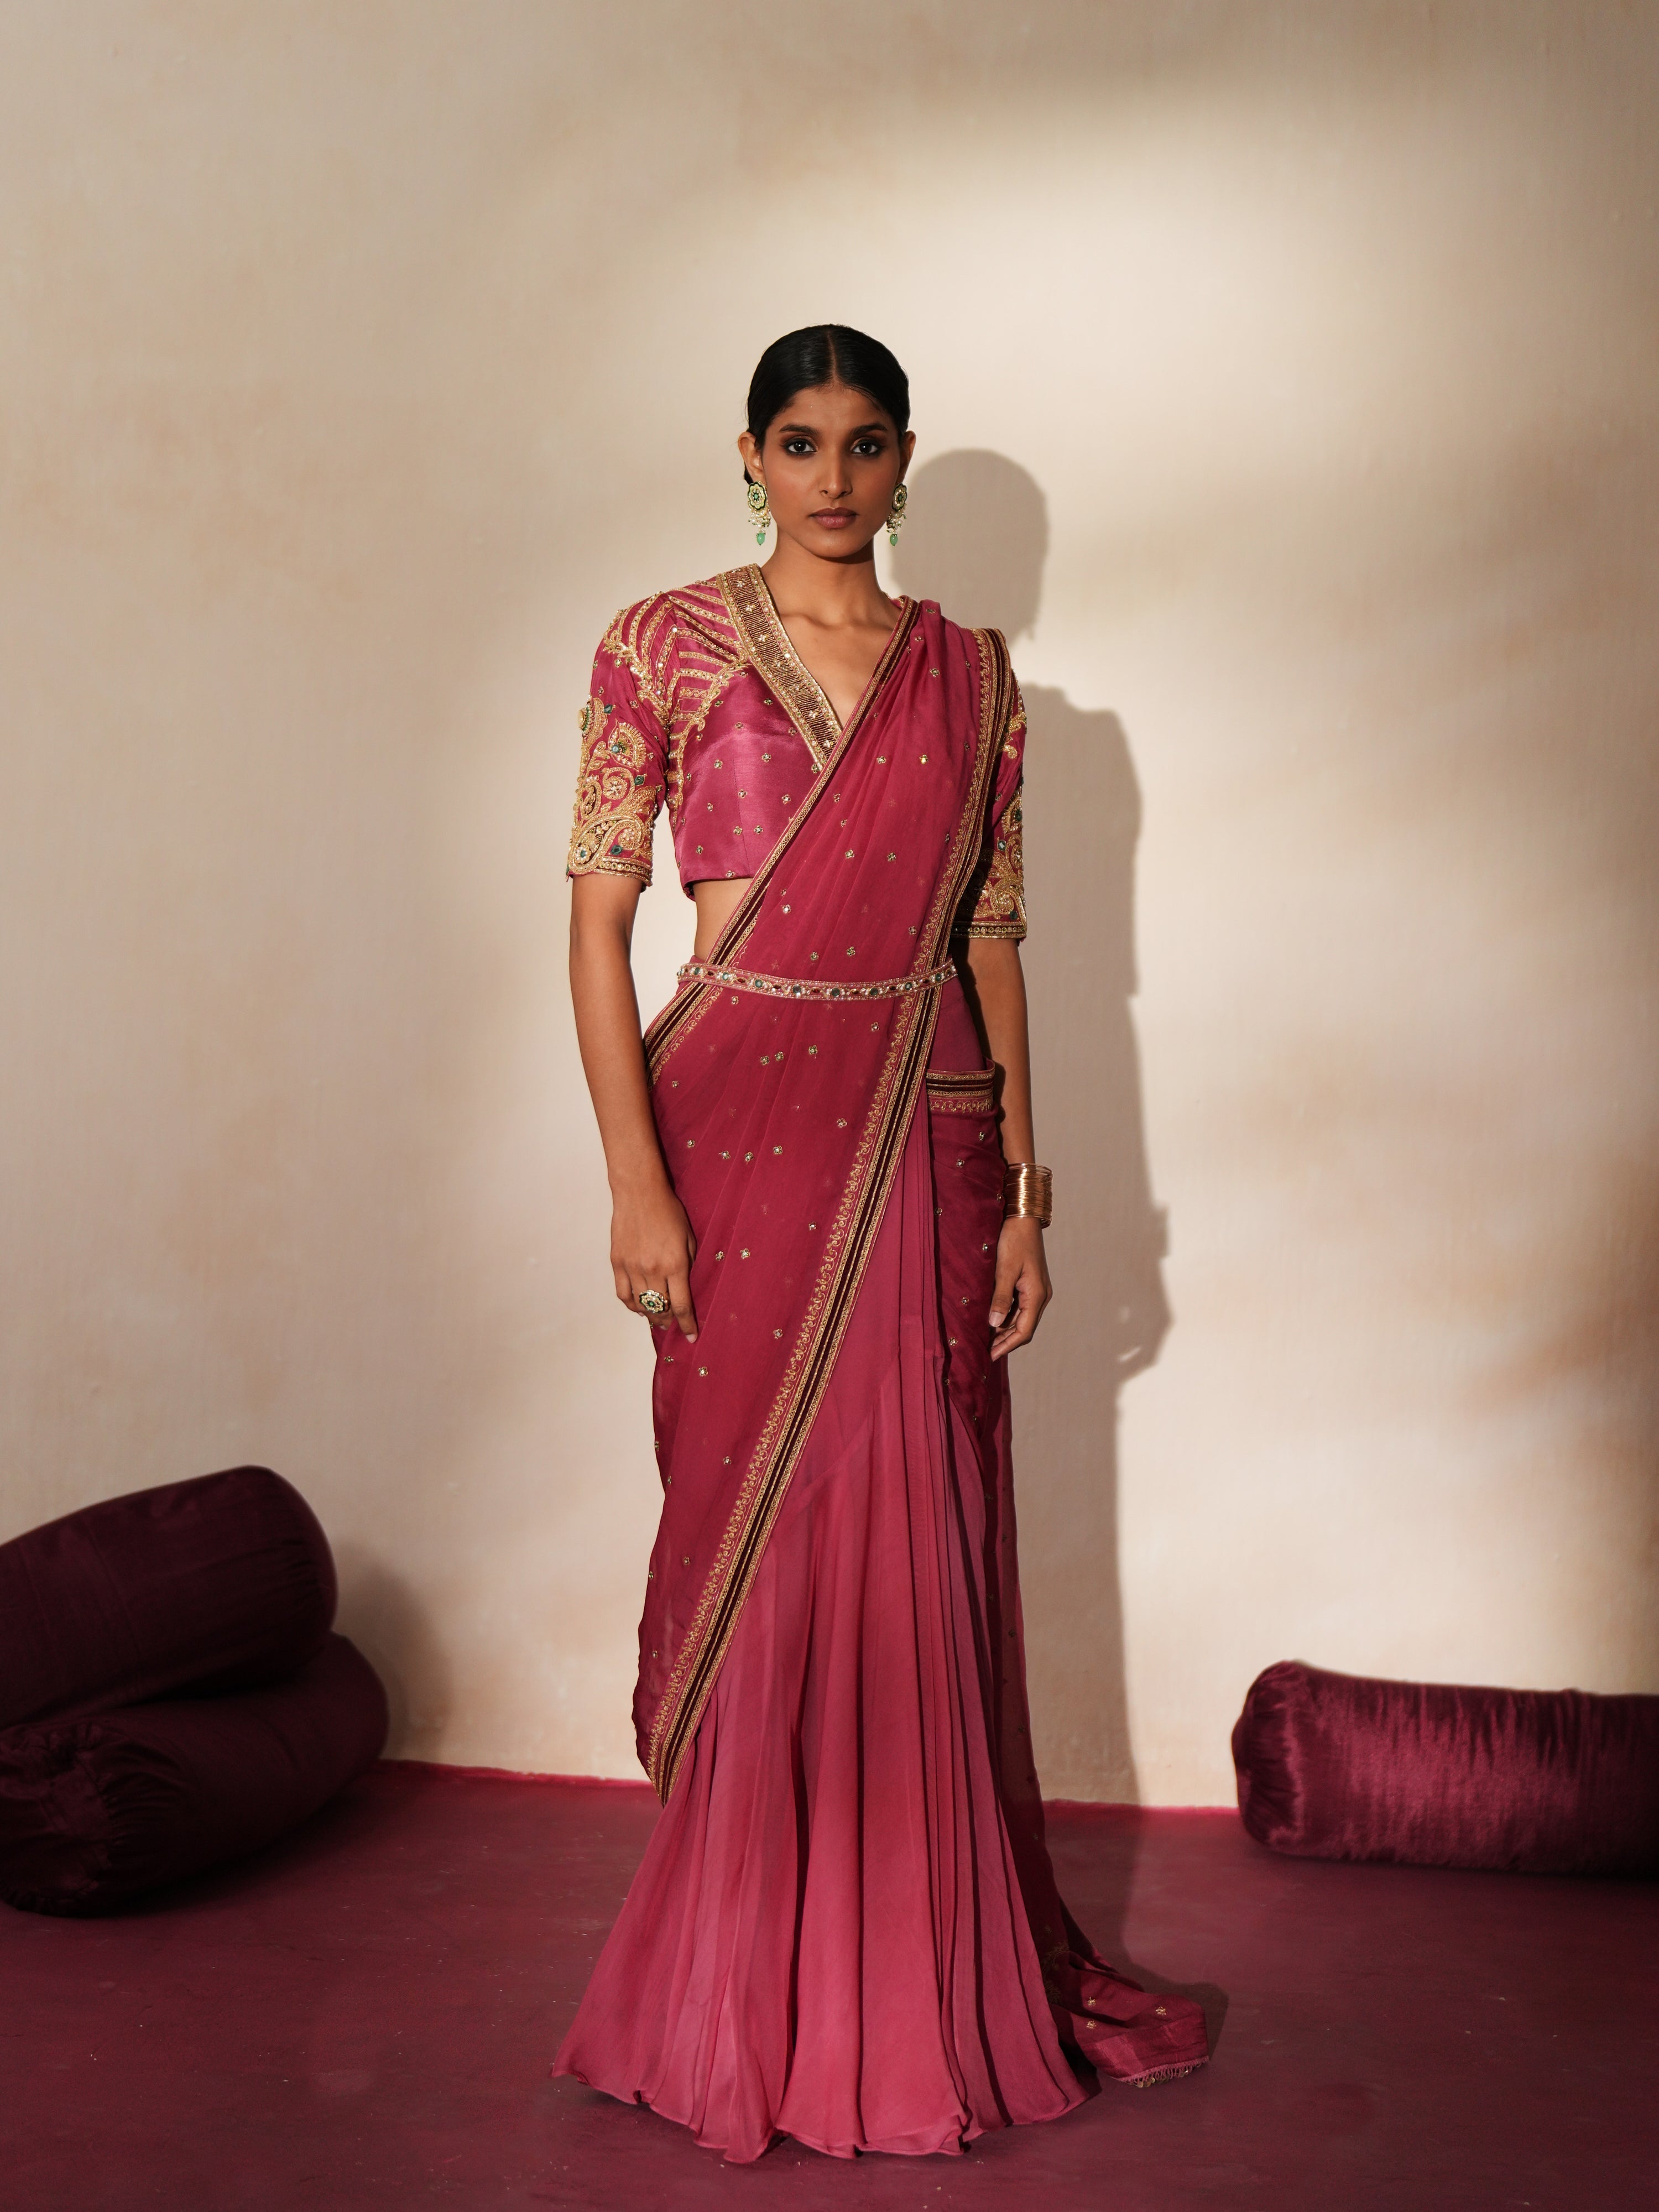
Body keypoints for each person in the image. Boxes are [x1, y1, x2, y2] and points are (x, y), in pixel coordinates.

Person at [553, 326, 1207, 2161]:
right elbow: (599, 929)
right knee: (756, 1533)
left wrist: (1030, 1187)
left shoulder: (976, 681)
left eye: (864, 444)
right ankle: (740, 1973)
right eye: (797, 442)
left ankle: (921, 1974)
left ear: (902, 463)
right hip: (737, 1136)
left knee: (915, 1534)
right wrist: (633, 1177)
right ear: (747, 458)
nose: (832, 477)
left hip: (927, 1132)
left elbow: (998, 942)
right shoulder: (661, 646)